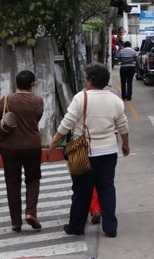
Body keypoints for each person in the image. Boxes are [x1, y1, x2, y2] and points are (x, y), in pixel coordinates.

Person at [50, 63, 130, 238]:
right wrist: (125, 144)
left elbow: (67, 123)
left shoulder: (81, 98)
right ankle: (110, 227)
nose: (85, 81)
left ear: (91, 80)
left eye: (86, 78)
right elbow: (123, 125)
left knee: (81, 190)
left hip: (83, 153)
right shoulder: (115, 100)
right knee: (107, 188)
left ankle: (76, 226)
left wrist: (55, 141)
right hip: (108, 152)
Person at [0, 69, 46, 232]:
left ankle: (16, 222)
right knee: (33, 180)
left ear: (16, 84)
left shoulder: (7, 99)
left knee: (12, 182)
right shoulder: (38, 101)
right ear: (32, 85)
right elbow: (37, 119)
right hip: (32, 146)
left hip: (9, 147)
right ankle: (30, 213)